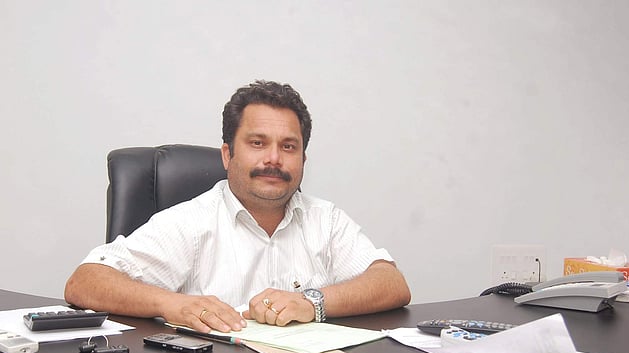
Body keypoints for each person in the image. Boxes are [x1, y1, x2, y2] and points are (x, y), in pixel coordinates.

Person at [64, 80, 411, 333]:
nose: (273, 159)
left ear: (303, 160)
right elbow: (85, 282)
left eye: (288, 147)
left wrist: (312, 302)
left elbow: (391, 283)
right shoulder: (190, 221)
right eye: (258, 143)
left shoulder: (326, 220)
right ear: (228, 155)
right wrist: (173, 304)